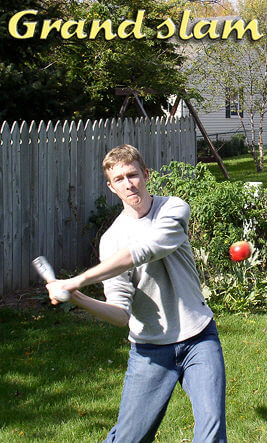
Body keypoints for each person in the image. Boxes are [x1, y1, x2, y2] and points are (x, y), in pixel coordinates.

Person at [46, 144, 226, 442]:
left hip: (199, 336)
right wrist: (76, 296)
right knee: (130, 437)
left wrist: (78, 280)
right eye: (119, 179)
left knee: (212, 429)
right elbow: (120, 314)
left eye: (133, 175)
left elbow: (145, 250)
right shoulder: (111, 240)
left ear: (145, 174)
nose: (128, 183)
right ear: (111, 187)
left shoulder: (173, 208)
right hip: (150, 349)